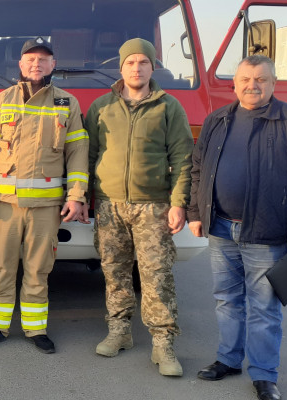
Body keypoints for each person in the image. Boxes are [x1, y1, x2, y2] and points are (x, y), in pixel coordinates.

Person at [189, 55, 287, 400]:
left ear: (274, 83)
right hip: (221, 228)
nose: (252, 86)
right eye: (245, 79)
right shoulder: (216, 120)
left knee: (264, 307)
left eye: (261, 79)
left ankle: (264, 375)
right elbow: (197, 169)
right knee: (226, 299)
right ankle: (228, 359)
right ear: (234, 84)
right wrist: (195, 213)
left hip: (267, 232)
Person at [0, 37, 89, 354]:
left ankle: (36, 329)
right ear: (20, 65)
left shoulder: (67, 103)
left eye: (43, 59)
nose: (37, 63)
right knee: (1, 266)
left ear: (53, 65)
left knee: (39, 268)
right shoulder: (2, 101)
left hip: (46, 207)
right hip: (5, 206)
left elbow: (78, 152)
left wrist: (76, 195)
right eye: (31, 59)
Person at [85, 38, 193, 377]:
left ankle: (163, 343)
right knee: (114, 272)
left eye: (143, 62)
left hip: (153, 206)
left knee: (156, 275)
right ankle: (119, 331)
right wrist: (85, 198)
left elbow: (183, 158)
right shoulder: (101, 107)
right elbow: (86, 156)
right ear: (121, 68)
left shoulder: (168, 107)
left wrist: (178, 203)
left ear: (152, 67)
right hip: (109, 204)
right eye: (130, 61)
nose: (136, 67)